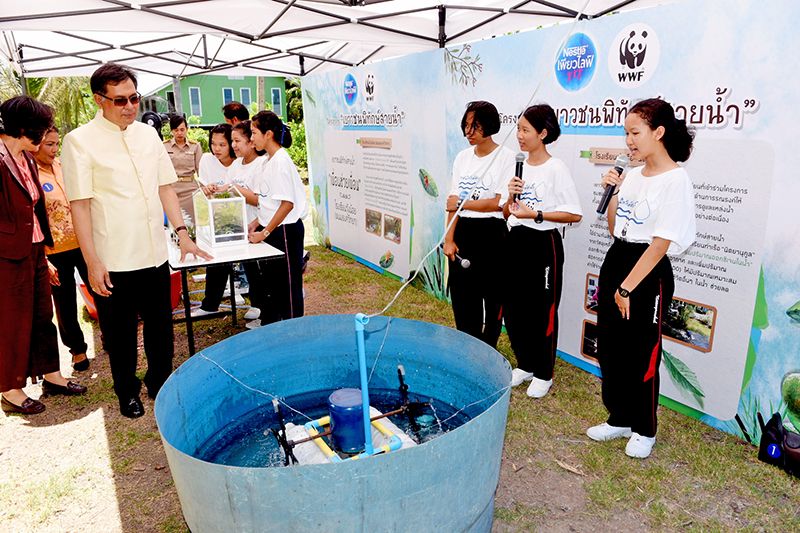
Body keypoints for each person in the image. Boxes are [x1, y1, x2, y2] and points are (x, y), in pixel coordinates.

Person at [61, 63, 211, 419]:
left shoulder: (147, 136)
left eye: (134, 98)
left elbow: (165, 188)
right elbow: (79, 208)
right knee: (121, 335)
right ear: (100, 100)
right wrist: (92, 262)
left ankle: (160, 383)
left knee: (161, 329)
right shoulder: (79, 142)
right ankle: (127, 391)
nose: (130, 106)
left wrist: (183, 234)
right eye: (120, 100)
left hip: (155, 254)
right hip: (113, 260)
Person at [586, 98, 696, 459]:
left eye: (635, 133)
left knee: (641, 352)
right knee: (612, 345)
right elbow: (616, 226)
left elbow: (662, 242)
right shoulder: (631, 175)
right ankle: (618, 417)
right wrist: (615, 192)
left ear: (658, 132)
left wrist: (627, 287)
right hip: (618, 255)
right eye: (626, 134)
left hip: (647, 270)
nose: (629, 141)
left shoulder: (675, 179)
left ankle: (644, 427)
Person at [0, 96, 87, 415]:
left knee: (42, 315)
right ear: (23, 128)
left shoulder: (25, 158)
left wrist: (44, 254)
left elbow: (35, 209)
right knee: (11, 323)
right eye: (39, 128)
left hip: (36, 249)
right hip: (8, 256)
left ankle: (52, 375)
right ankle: (10, 388)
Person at [504, 104, 583, 398]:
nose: (520, 136)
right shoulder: (516, 165)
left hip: (542, 242)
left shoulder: (556, 168)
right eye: (518, 129)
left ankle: (543, 371)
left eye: (525, 130)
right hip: (515, 239)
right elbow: (506, 211)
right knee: (513, 307)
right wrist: (510, 197)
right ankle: (524, 364)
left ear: (543, 133)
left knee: (542, 310)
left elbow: (574, 214)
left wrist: (535, 214)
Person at [443, 101, 515, 349]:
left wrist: (463, 202)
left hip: (492, 234)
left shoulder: (505, 157)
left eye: (474, 126)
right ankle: (468, 347)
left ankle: (488, 349)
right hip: (463, 230)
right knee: (463, 296)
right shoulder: (462, 158)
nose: (468, 132)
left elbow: (497, 204)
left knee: (493, 298)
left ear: (490, 125)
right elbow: (451, 202)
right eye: (465, 126)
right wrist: (449, 239)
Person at [34, 126, 98, 372]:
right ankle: (77, 350)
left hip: (83, 242)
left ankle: (109, 335)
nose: (54, 149)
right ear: (36, 144)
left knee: (99, 289)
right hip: (54, 250)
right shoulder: (31, 174)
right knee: (65, 302)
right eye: (49, 144)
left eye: (56, 143)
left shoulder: (64, 166)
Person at [247, 110, 307, 326]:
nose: (251, 138)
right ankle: (280, 327)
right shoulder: (267, 161)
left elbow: (287, 204)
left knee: (288, 286)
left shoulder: (281, 161)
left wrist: (265, 231)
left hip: (285, 231)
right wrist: (256, 222)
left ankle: (294, 328)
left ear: (268, 134)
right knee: (274, 283)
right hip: (273, 230)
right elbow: (268, 200)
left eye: (254, 133)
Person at [193, 123, 251, 317]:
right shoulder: (207, 160)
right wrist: (207, 190)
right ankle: (210, 304)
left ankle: (256, 302)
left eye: (222, 144)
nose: (216, 149)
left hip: (242, 218)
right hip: (217, 218)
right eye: (213, 144)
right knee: (216, 261)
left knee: (249, 262)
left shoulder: (240, 163)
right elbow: (203, 189)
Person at [227, 120, 268, 326]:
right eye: (232, 141)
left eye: (237, 140)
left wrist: (234, 189)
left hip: (258, 223)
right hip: (240, 224)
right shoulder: (235, 165)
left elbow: (259, 199)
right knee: (250, 269)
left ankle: (267, 312)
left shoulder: (261, 165)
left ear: (251, 142)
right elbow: (228, 191)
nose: (233, 145)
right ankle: (258, 305)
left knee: (262, 271)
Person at [164, 115, 202, 224]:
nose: (179, 133)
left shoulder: (195, 146)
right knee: (174, 223)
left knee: (193, 222)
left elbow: (200, 170)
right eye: (176, 130)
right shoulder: (164, 147)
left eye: (182, 130)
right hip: (172, 188)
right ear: (171, 131)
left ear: (187, 129)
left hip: (190, 189)